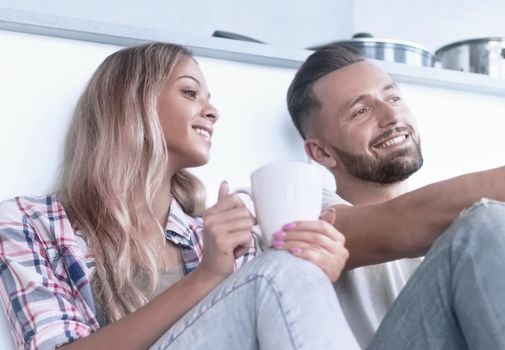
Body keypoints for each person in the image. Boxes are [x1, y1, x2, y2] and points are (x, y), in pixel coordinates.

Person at [0, 42, 356, 350]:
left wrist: (309, 271)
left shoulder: (219, 237)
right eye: (189, 93)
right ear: (130, 103)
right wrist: (206, 277)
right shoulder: (28, 223)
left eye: (208, 99)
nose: (213, 112)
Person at [277, 43, 505, 349]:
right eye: (360, 111)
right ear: (321, 151)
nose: (390, 116)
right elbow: (404, 222)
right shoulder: (310, 209)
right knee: (485, 222)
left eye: (393, 97)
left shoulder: (454, 228)